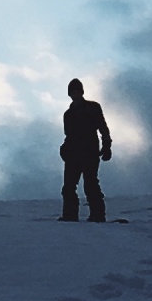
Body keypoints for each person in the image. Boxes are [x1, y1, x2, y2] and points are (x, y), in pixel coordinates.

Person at [59, 77, 112, 221]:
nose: (75, 94)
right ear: (69, 94)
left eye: (77, 91)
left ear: (82, 92)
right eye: (73, 92)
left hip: (90, 153)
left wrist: (107, 145)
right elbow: (69, 135)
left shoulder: (93, 107)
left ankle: (98, 215)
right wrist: (64, 149)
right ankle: (69, 215)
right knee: (68, 187)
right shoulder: (68, 114)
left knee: (91, 184)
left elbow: (102, 127)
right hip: (73, 155)